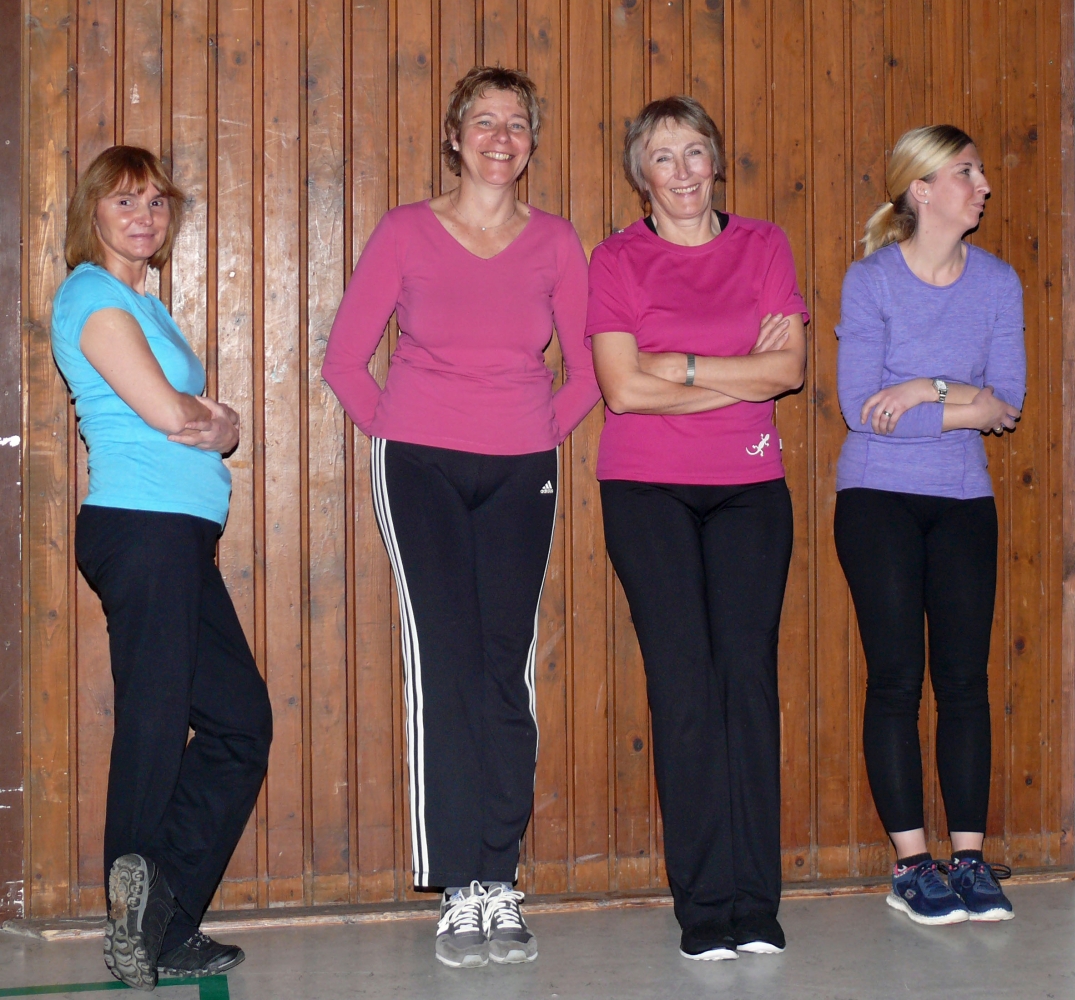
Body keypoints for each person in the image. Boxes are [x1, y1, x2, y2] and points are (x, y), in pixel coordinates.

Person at [322, 65, 599, 969]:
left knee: (502, 668)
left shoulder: (554, 240)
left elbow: (588, 368)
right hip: (421, 469)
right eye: (483, 121)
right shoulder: (405, 230)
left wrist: (535, 433)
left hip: (521, 469)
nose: (499, 137)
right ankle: (456, 886)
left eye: (516, 123)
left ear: (530, 141)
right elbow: (344, 360)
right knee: (443, 665)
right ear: (454, 136)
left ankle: (498, 877)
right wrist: (403, 432)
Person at [586, 95, 808, 961]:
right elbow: (620, 390)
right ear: (640, 175)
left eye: (694, 152)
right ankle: (705, 906)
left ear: (715, 160)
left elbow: (787, 371)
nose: (681, 172)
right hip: (646, 491)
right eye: (662, 157)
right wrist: (735, 373)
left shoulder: (763, 244)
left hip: (749, 487)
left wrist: (676, 365)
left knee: (745, 683)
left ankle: (755, 902)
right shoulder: (616, 258)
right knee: (683, 689)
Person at [50, 145, 273, 990]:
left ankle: (161, 914)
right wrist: (214, 422)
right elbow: (167, 414)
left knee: (238, 724)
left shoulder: (146, 306)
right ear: (93, 213)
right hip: (142, 530)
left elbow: (207, 422)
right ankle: (137, 928)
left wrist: (216, 423)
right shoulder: (91, 296)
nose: (143, 216)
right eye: (123, 201)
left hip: (176, 537)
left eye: (155, 202)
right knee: (154, 720)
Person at [834, 125, 1025, 925]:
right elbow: (860, 411)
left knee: (963, 682)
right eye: (964, 172)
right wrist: (959, 400)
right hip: (875, 497)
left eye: (977, 172)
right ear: (920, 189)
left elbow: (1005, 404)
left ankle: (969, 861)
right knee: (894, 681)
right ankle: (913, 865)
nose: (982, 185)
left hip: (962, 501)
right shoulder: (870, 281)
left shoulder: (997, 283)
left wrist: (919, 388)